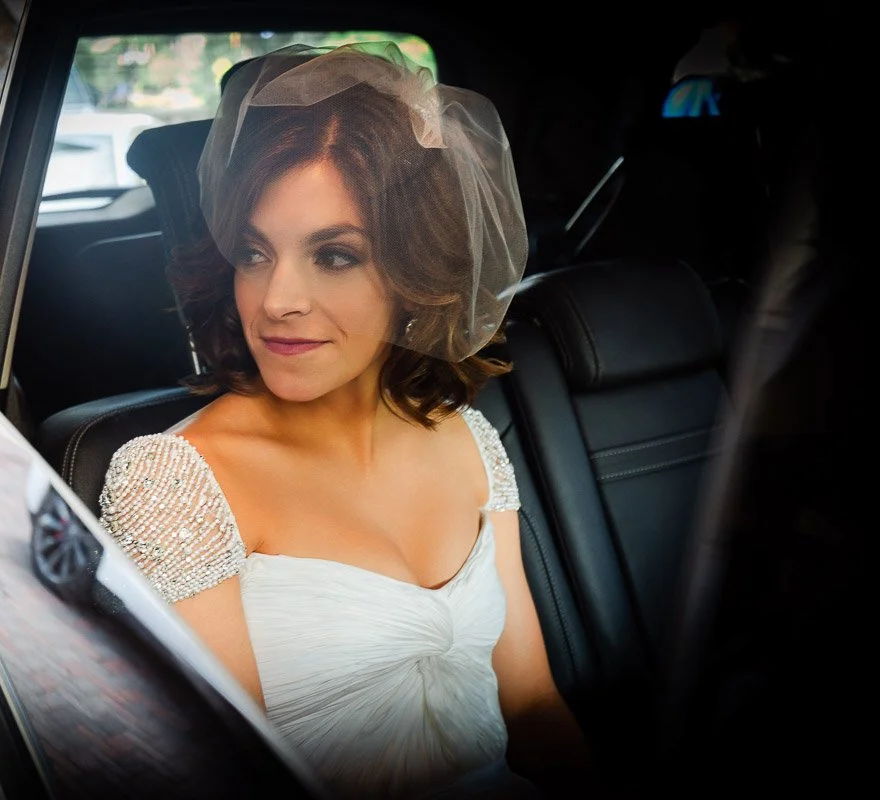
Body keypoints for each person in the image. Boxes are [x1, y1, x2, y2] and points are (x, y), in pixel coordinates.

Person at [98, 42, 594, 799]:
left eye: (334, 256)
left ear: (415, 275)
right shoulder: (174, 483)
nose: (276, 300)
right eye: (256, 253)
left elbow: (531, 703)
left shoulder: (470, 442)